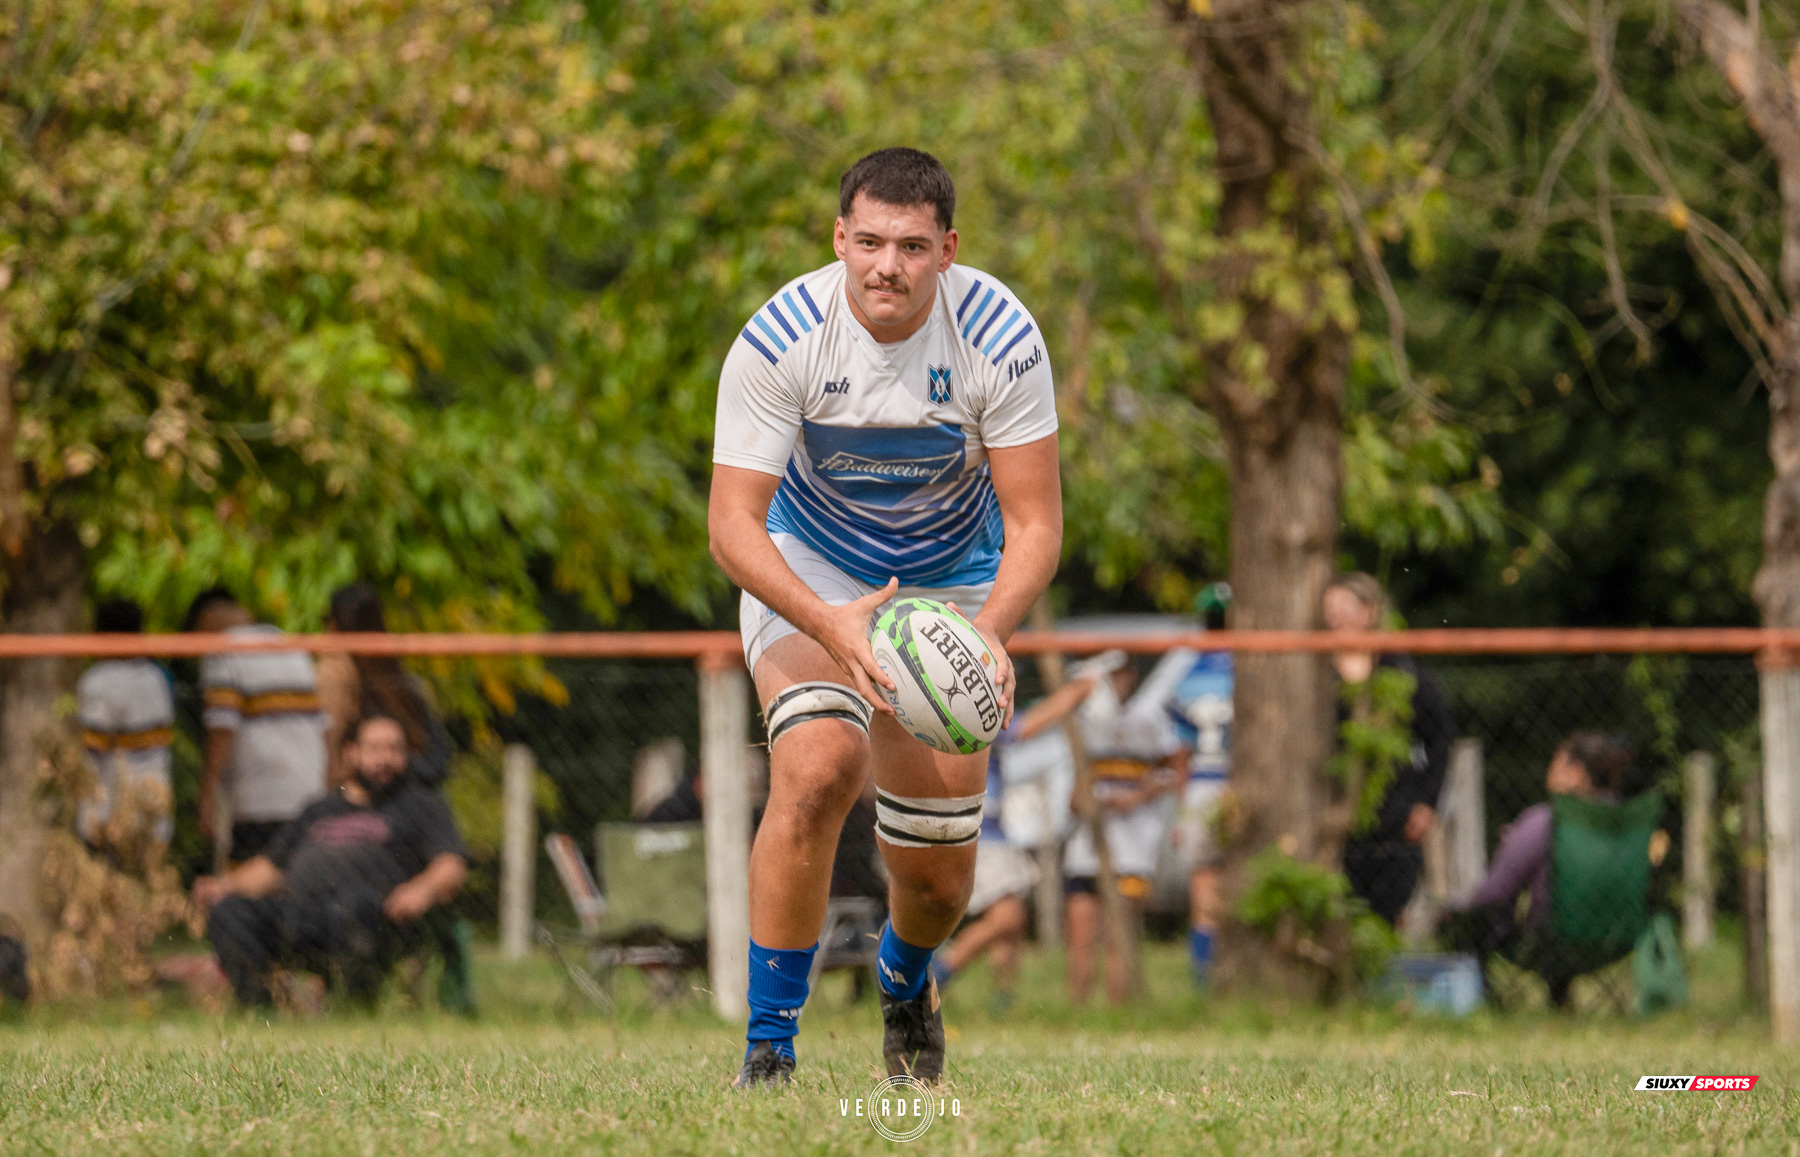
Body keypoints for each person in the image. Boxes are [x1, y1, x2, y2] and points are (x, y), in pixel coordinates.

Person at [709, 148, 1060, 1086]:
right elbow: (732, 525)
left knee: (937, 876)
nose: (886, 266)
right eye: (868, 242)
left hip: (952, 583)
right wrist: (831, 624)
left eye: (910, 246)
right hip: (814, 570)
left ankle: (905, 979)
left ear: (948, 248)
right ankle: (769, 1050)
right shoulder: (782, 336)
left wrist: (990, 632)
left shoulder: (1000, 335)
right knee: (819, 767)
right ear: (839, 239)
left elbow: (1035, 523)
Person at [195, 714, 469, 1007]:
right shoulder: (320, 809)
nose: (385, 759)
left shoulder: (421, 805)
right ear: (351, 752)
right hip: (303, 913)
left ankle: (351, 1007)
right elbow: (269, 868)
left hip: (375, 916)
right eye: (375, 749)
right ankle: (263, 1010)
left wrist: (421, 891)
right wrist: (222, 887)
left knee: (355, 908)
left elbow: (451, 864)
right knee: (230, 913)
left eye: (394, 749)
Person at [932, 653, 1116, 1011]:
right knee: (1008, 918)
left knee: (1011, 927)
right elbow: (1028, 726)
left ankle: (1002, 1005)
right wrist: (1075, 693)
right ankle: (936, 978)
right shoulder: (965, 716)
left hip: (994, 831)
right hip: (980, 833)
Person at [1442, 732, 1636, 1007]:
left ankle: (1485, 1001)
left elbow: (1494, 893)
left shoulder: (1545, 821)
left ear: (1575, 772)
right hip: (1614, 942)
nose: (1549, 769)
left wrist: (1454, 909)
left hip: (1549, 944)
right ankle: (1560, 1000)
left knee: (1469, 917)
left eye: (1556, 761)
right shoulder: (1626, 824)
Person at [1323, 573, 1455, 926]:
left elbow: (1439, 738)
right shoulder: (1316, 676)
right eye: (1329, 608)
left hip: (1395, 813)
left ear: (1370, 611)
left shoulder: (1403, 672)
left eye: (1345, 606)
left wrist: (1427, 803)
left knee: (1387, 911)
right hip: (1331, 811)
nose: (1335, 616)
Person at [1063, 658, 1182, 1005]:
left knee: (1120, 935)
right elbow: (1073, 791)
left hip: (1133, 848)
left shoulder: (1150, 718)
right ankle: (1076, 1013)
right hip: (1087, 848)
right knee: (1081, 936)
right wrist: (1083, 801)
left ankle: (1117, 1013)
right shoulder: (1083, 720)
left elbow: (1173, 768)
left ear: (1130, 675)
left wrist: (1138, 797)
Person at [185, 589, 327, 864]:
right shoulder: (291, 647)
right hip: (308, 793)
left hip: (259, 800)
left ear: (207, 623)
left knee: (245, 883)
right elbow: (322, 727)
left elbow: (222, 730)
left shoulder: (224, 651)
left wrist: (207, 796)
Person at [318, 583, 453, 790]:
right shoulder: (397, 676)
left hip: (375, 792)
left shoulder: (336, 672)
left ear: (335, 626)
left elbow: (329, 748)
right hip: (404, 789)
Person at [75, 599, 176, 852]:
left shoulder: (98, 680)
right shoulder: (157, 678)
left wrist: (89, 818)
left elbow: (94, 753)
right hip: (156, 808)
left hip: (112, 813)